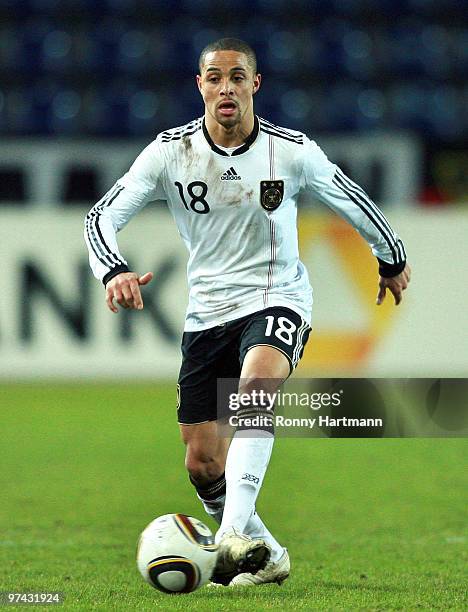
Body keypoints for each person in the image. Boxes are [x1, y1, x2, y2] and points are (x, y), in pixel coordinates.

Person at [84, 38, 411, 587]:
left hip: (276, 296)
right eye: (215, 78)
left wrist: (391, 257)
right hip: (207, 312)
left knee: (256, 387)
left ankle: (229, 535)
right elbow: (101, 215)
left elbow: (353, 200)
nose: (226, 87)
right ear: (200, 86)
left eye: (237, 77)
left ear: (254, 85)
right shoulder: (170, 152)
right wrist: (113, 269)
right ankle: (269, 553)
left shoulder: (292, 151)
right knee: (201, 462)